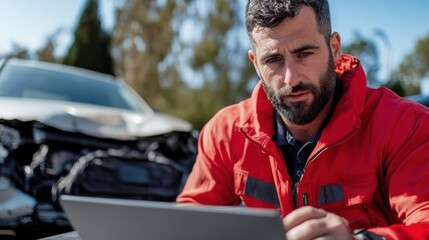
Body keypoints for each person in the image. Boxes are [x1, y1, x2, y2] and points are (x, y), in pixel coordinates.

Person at [177, 0, 429, 239]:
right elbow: (185, 228)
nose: (291, 79)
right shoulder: (225, 133)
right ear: (255, 63)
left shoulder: (407, 126)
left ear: (335, 48)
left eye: (304, 53)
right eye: (273, 60)